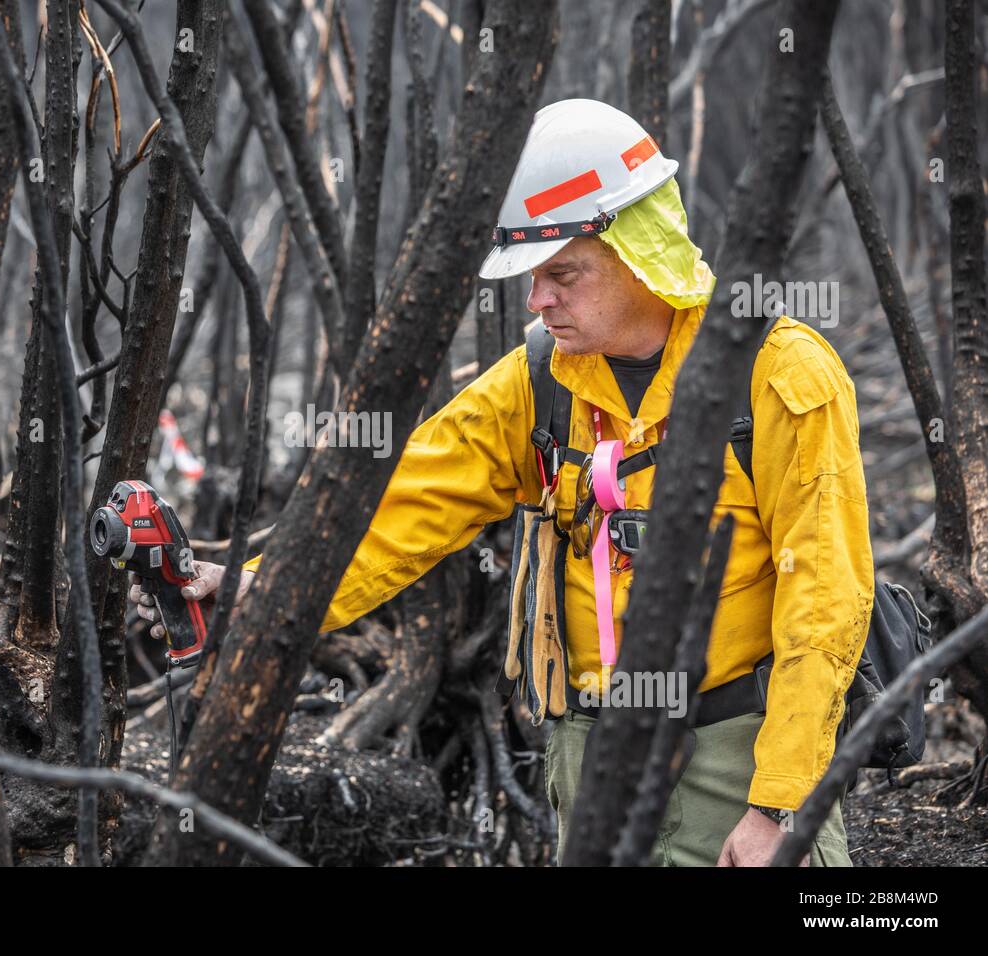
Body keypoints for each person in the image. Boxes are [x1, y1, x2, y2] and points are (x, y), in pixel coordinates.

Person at [131, 99, 872, 867]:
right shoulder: (543, 377)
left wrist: (780, 803)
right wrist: (261, 589)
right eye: (531, 276)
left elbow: (827, 599)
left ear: (642, 251)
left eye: (563, 274)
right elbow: (412, 498)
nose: (537, 299)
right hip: (589, 760)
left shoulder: (779, 375)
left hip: (734, 762)